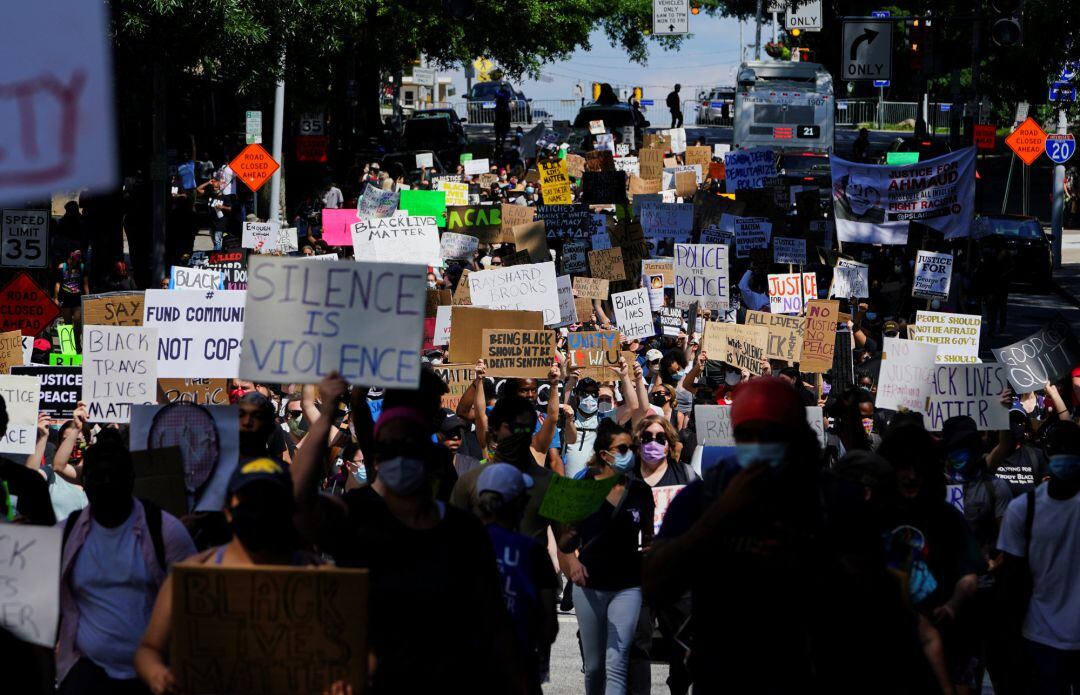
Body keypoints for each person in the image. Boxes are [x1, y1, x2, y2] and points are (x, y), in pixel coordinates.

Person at [293, 373, 526, 694]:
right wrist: (330, 408)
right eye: (388, 447)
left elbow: (494, 620)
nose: (398, 456)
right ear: (377, 457)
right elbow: (300, 502)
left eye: (409, 444)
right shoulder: (355, 515)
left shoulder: (462, 531)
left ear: (429, 454)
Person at [134, 457, 313, 695]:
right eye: (249, 501)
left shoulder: (317, 578)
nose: (260, 510)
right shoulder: (192, 576)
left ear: (287, 510)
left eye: (270, 500)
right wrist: (157, 674)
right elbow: (148, 649)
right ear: (228, 510)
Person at [57, 433, 196, 694]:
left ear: (131, 479)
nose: (107, 482)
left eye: (115, 475)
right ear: (85, 483)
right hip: (86, 672)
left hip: (153, 677)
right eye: (98, 475)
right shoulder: (65, 534)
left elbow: (193, 605)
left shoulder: (166, 532)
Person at [559, 419, 654, 695]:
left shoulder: (641, 490)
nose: (631, 453)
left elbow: (648, 538)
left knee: (617, 660)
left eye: (632, 448)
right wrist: (572, 563)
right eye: (623, 448)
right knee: (595, 666)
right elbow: (564, 539)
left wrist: (653, 553)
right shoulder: (580, 485)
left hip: (627, 587)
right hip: (589, 588)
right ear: (605, 454)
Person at [997, 421, 1080, 695]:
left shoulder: (1022, 510)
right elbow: (1011, 581)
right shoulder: (1023, 510)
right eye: (1061, 450)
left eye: (1072, 450)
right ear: (1048, 454)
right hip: (1040, 639)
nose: (1066, 456)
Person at [477, 463, 559, 695]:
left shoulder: (462, 544)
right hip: (519, 668)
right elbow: (549, 626)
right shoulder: (533, 552)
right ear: (518, 504)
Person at [54, 249, 89, 327]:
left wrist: (87, 298)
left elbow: (85, 284)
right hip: (65, 299)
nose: (75, 262)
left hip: (77, 299)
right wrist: (56, 298)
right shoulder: (62, 267)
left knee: (77, 322)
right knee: (67, 324)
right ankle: (69, 339)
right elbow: (58, 283)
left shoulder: (82, 267)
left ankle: (77, 339)